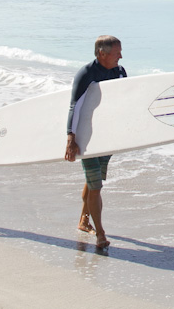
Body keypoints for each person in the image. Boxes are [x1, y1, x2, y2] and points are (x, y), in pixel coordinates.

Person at [64, 35, 126, 249]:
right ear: (102, 53)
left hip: (106, 136)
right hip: (86, 137)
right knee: (96, 186)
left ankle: (83, 220)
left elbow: (124, 101)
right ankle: (100, 233)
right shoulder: (87, 73)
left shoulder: (119, 72)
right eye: (117, 52)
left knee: (94, 180)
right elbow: (75, 106)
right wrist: (71, 139)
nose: (121, 56)